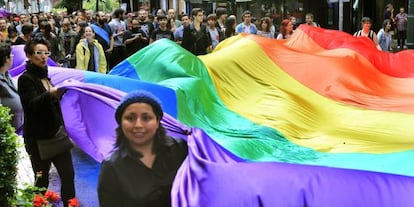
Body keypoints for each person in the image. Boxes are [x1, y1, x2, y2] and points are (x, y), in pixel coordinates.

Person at [98, 90, 188, 207]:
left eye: (146, 118)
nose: (138, 125)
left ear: (157, 121)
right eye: (130, 118)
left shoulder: (181, 149)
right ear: (121, 123)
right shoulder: (111, 168)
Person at [17, 38, 76, 207]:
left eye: (46, 53)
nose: (43, 57)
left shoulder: (48, 76)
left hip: (57, 135)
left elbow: (52, 103)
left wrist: (60, 93)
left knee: (68, 175)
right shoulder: (26, 79)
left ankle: (70, 204)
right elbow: (31, 105)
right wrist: (50, 94)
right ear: (29, 55)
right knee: (42, 181)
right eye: (39, 53)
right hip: (38, 140)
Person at [0, 43, 23, 133]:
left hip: (17, 127)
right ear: (6, 59)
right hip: (5, 132)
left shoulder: (7, 75)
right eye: (11, 55)